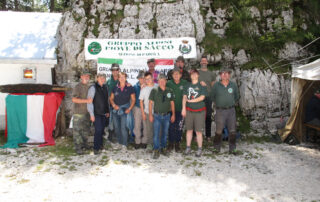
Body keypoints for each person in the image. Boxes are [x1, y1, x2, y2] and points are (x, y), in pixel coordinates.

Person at [211, 68, 240, 155]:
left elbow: (236, 97)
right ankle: (216, 148)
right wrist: (220, 104)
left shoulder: (233, 85)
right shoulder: (216, 85)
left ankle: (232, 149)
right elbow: (213, 97)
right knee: (218, 130)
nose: (224, 75)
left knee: (232, 130)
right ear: (220, 75)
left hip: (231, 110)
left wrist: (229, 103)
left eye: (226, 73)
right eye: (223, 73)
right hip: (220, 111)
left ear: (229, 75)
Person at [149, 73, 175, 159]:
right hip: (157, 116)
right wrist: (150, 115)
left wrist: (173, 114)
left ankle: (163, 148)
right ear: (158, 81)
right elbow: (150, 103)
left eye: (164, 80)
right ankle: (156, 149)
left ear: (166, 81)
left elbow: (172, 103)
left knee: (165, 133)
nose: (162, 82)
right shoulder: (154, 90)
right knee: (156, 134)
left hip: (167, 116)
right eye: (160, 80)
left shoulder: (170, 90)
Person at [182, 69, 207, 157]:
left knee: (198, 131)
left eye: (195, 74)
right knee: (189, 130)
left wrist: (191, 101)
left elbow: (202, 97)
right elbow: (184, 97)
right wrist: (183, 108)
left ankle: (199, 149)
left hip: (199, 111)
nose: (193, 75)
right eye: (192, 74)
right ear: (190, 75)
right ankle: (188, 147)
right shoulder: (187, 85)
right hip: (189, 111)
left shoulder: (202, 85)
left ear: (198, 75)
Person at [109, 72, 135, 147]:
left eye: (123, 77)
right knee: (116, 127)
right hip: (115, 110)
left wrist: (129, 108)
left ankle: (124, 144)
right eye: (120, 77)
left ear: (126, 78)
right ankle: (120, 142)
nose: (122, 78)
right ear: (118, 78)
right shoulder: (115, 87)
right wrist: (113, 105)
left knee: (123, 127)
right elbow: (111, 98)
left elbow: (133, 99)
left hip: (124, 110)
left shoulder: (130, 87)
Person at [166, 67, 188, 152]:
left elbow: (194, 85)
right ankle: (171, 143)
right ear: (172, 75)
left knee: (179, 127)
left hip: (181, 109)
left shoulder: (185, 83)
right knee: (171, 127)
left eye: (177, 73)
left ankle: (177, 143)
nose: (176, 75)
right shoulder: (168, 83)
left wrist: (201, 83)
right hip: (171, 110)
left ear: (180, 75)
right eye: (174, 74)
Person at [87, 73, 110, 155]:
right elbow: (89, 102)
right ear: (97, 78)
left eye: (104, 78)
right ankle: (96, 148)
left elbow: (106, 101)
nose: (102, 79)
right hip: (96, 113)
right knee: (98, 130)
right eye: (101, 78)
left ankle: (100, 145)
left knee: (102, 130)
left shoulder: (105, 87)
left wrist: (107, 111)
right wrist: (91, 114)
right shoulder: (93, 88)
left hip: (104, 113)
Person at [71, 69, 92, 155]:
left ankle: (85, 144)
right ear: (81, 77)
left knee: (85, 130)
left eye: (88, 76)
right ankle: (78, 148)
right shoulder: (77, 87)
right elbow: (74, 99)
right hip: (78, 113)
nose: (87, 77)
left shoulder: (89, 87)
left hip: (87, 113)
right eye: (85, 76)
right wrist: (86, 101)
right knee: (77, 131)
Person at [198, 55, 216, 141]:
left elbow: (213, 86)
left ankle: (208, 135)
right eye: (202, 61)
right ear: (200, 62)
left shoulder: (211, 74)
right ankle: (195, 135)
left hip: (208, 97)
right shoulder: (197, 73)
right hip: (198, 97)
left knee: (208, 116)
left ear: (207, 62)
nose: (204, 62)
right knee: (197, 116)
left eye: (205, 61)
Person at [139, 71, 158, 149]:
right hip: (147, 112)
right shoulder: (144, 89)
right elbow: (141, 101)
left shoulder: (158, 86)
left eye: (149, 78)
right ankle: (150, 144)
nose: (148, 80)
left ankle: (157, 144)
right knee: (149, 130)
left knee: (157, 129)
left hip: (157, 112)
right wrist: (143, 113)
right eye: (146, 79)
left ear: (153, 78)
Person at [106, 63, 120, 143]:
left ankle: (118, 136)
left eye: (116, 70)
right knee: (111, 121)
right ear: (111, 71)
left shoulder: (122, 80)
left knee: (119, 121)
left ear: (119, 70)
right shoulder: (108, 82)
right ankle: (111, 136)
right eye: (113, 70)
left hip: (120, 105)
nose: (115, 71)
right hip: (111, 105)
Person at [133, 70, 145, 149]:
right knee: (137, 125)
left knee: (145, 125)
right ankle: (137, 141)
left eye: (143, 78)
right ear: (138, 78)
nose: (142, 79)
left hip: (146, 108)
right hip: (137, 107)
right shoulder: (135, 86)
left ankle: (144, 141)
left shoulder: (148, 86)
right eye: (140, 78)